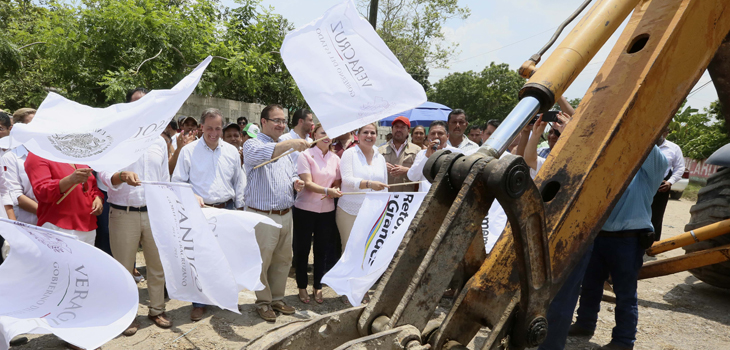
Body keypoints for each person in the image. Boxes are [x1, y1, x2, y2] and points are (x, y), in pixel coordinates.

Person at [537, 140, 667, 350]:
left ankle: (624, 340)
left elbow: (646, 139)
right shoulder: (610, 168)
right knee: (590, 284)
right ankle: (585, 323)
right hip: (599, 235)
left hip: (629, 239)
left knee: (625, 291)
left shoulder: (649, 172)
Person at [100, 88, 172, 336]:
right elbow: (102, 176)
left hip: (153, 213)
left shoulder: (160, 141)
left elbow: (164, 178)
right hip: (123, 213)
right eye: (137, 104)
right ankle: (126, 315)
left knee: (156, 265)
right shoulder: (116, 137)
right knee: (123, 268)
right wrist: (120, 176)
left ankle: (157, 309)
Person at [171, 108, 245, 321]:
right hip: (200, 212)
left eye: (218, 128)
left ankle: (224, 297)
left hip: (227, 209)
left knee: (226, 256)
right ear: (201, 127)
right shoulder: (188, 151)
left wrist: (240, 209)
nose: (214, 132)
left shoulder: (231, 152)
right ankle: (199, 303)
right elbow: (178, 181)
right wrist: (191, 194)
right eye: (210, 128)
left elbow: (238, 182)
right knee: (201, 258)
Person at [243, 104, 307, 322]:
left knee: (283, 259)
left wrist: (295, 181)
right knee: (263, 260)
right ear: (263, 122)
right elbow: (265, 154)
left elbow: (290, 172)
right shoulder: (252, 145)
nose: (281, 125)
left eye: (283, 121)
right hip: (262, 214)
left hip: (285, 213)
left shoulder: (284, 146)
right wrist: (292, 142)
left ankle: (277, 298)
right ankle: (263, 302)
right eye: (276, 120)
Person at [293, 124, 342, 305]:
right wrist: (328, 191)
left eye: (330, 133)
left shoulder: (335, 158)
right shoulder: (305, 155)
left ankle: (318, 285)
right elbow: (307, 183)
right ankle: (302, 286)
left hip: (327, 211)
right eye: (323, 133)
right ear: (314, 135)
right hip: (304, 209)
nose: (326, 137)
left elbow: (337, 183)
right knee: (302, 249)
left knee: (322, 250)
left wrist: (332, 191)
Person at [25, 155, 104, 245]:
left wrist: (98, 198)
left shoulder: (76, 155)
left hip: (88, 227)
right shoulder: (37, 156)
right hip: (58, 227)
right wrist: (70, 180)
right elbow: (42, 191)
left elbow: (92, 186)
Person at [337, 123, 389, 252]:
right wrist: (369, 184)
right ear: (358, 135)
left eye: (373, 133)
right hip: (350, 211)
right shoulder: (350, 154)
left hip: (374, 212)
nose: (369, 136)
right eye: (365, 132)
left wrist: (384, 210)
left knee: (369, 250)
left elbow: (385, 186)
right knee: (350, 251)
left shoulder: (380, 158)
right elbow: (347, 180)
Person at [2, 108, 37, 225]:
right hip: (26, 223)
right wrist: (47, 212)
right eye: (32, 125)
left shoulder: (51, 155)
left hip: (55, 224)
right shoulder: (10, 158)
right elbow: (14, 195)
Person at [651, 128, 684, 241]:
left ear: (666, 133)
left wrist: (670, 182)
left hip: (661, 187)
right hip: (642, 183)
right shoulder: (645, 144)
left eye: (662, 131)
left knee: (656, 215)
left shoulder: (673, 148)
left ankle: (652, 244)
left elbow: (679, 168)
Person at [407, 121, 459, 193]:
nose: (436, 136)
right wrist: (427, 157)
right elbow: (412, 177)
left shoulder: (457, 153)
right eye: (433, 133)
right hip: (424, 199)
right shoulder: (422, 154)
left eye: (440, 133)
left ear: (447, 136)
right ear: (428, 137)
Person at [378, 116, 421, 192]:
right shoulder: (380, 150)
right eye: (396, 127)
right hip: (385, 196)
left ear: (408, 131)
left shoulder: (417, 150)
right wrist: (381, 167)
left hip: (407, 198)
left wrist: (407, 170)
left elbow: (421, 174)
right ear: (392, 129)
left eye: (402, 127)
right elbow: (372, 171)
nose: (398, 129)